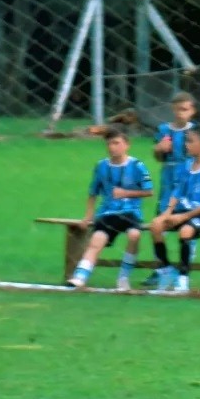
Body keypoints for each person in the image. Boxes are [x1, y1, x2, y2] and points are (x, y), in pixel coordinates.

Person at [68, 124, 153, 291]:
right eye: (109, 144)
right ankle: (80, 277)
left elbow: (149, 191)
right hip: (107, 212)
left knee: (134, 234)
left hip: (130, 212)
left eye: (116, 143)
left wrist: (126, 193)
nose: (112, 147)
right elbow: (93, 192)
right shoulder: (101, 166)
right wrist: (88, 216)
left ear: (127, 144)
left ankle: (123, 277)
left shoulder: (137, 166)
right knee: (97, 239)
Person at [148, 125, 200, 293]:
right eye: (186, 141)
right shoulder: (186, 165)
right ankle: (166, 270)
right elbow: (177, 191)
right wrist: (167, 212)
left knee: (185, 232)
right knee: (156, 225)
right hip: (183, 210)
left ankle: (183, 278)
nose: (186, 145)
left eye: (190, 141)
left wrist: (183, 217)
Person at [142, 91, 198, 287]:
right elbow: (158, 158)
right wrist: (158, 149)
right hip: (168, 180)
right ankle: (160, 268)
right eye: (178, 109)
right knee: (159, 222)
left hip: (189, 180)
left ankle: (185, 268)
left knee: (188, 224)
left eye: (185, 109)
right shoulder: (164, 130)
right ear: (172, 110)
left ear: (192, 111)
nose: (181, 113)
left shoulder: (196, 131)